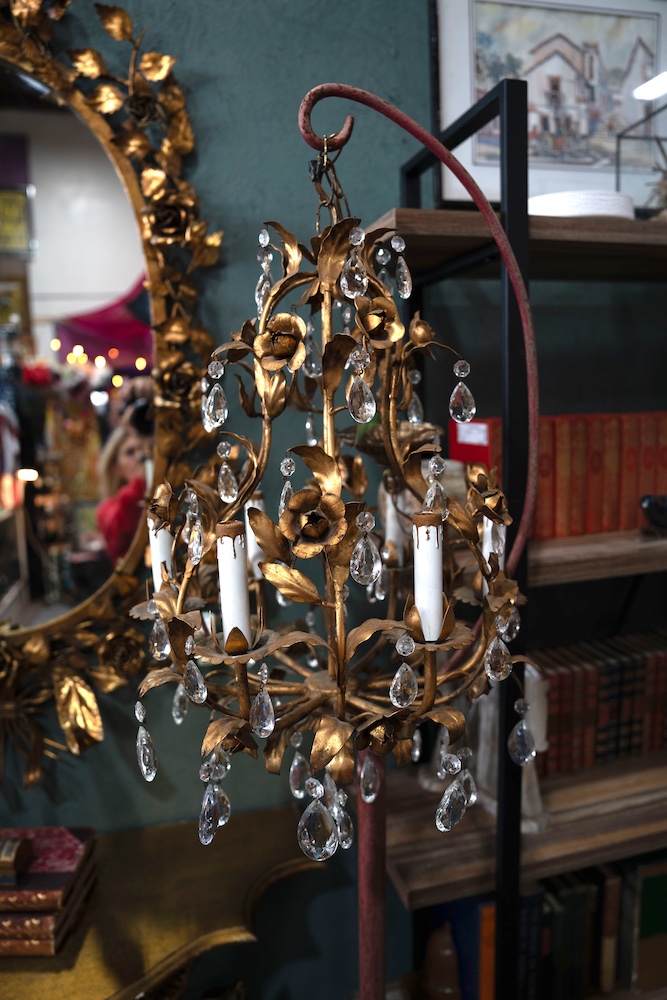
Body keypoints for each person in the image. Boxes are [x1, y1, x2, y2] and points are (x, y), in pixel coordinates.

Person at [96, 425, 147, 563]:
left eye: (143, 449)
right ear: (115, 467)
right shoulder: (106, 509)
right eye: (130, 452)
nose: (140, 457)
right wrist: (139, 484)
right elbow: (118, 535)